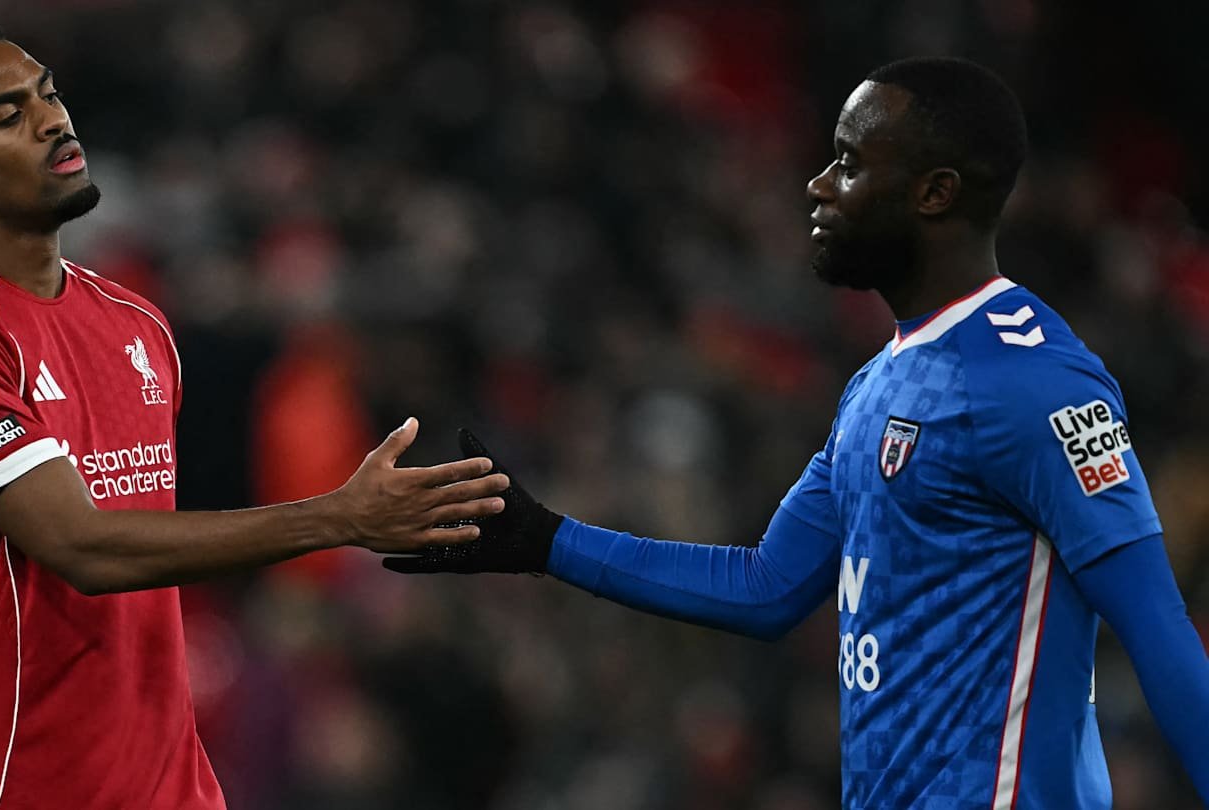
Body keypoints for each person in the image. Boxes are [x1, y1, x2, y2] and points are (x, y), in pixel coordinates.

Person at [388, 57, 1209, 808]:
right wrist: (548, 542)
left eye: (850, 164)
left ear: (935, 193)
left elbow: (1155, 624)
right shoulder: (879, 382)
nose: (818, 185)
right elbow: (768, 585)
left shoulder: (1034, 381)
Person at [0, 21, 508, 810]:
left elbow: (159, 548)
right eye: (6, 115)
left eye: (48, 94)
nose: (53, 121)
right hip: (4, 784)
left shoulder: (138, 325)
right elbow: (83, 548)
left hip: (166, 789)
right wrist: (339, 518)